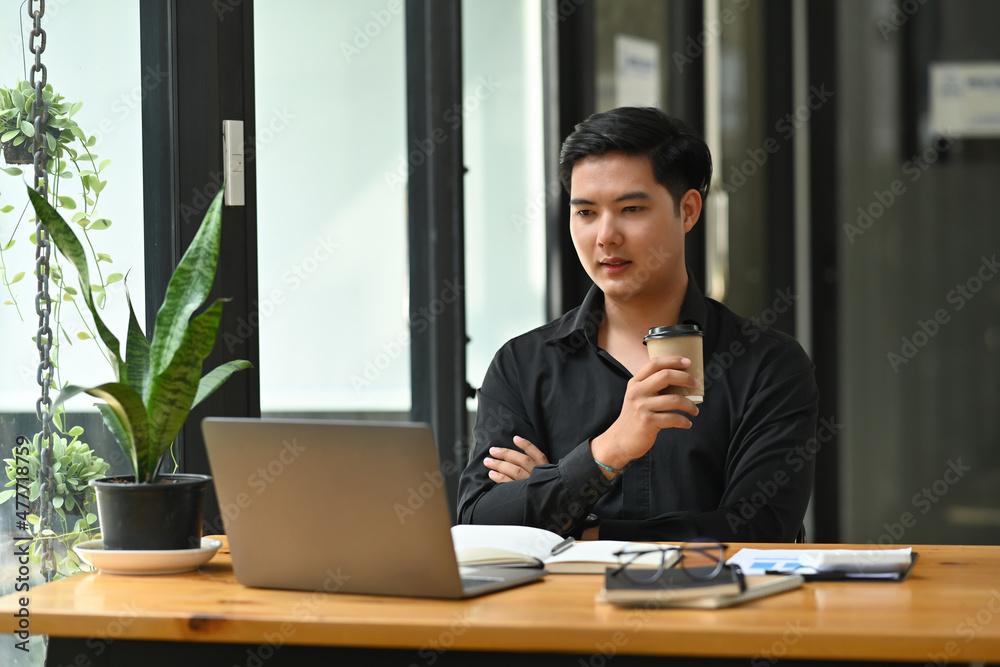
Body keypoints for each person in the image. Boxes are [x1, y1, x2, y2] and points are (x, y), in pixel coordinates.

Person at [456, 107, 818, 542]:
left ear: (688, 211)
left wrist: (572, 522)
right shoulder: (523, 365)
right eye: (586, 213)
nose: (605, 236)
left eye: (630, 208)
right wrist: (609, 450)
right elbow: (480, 524)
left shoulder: (767, 365)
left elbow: (758, 532)